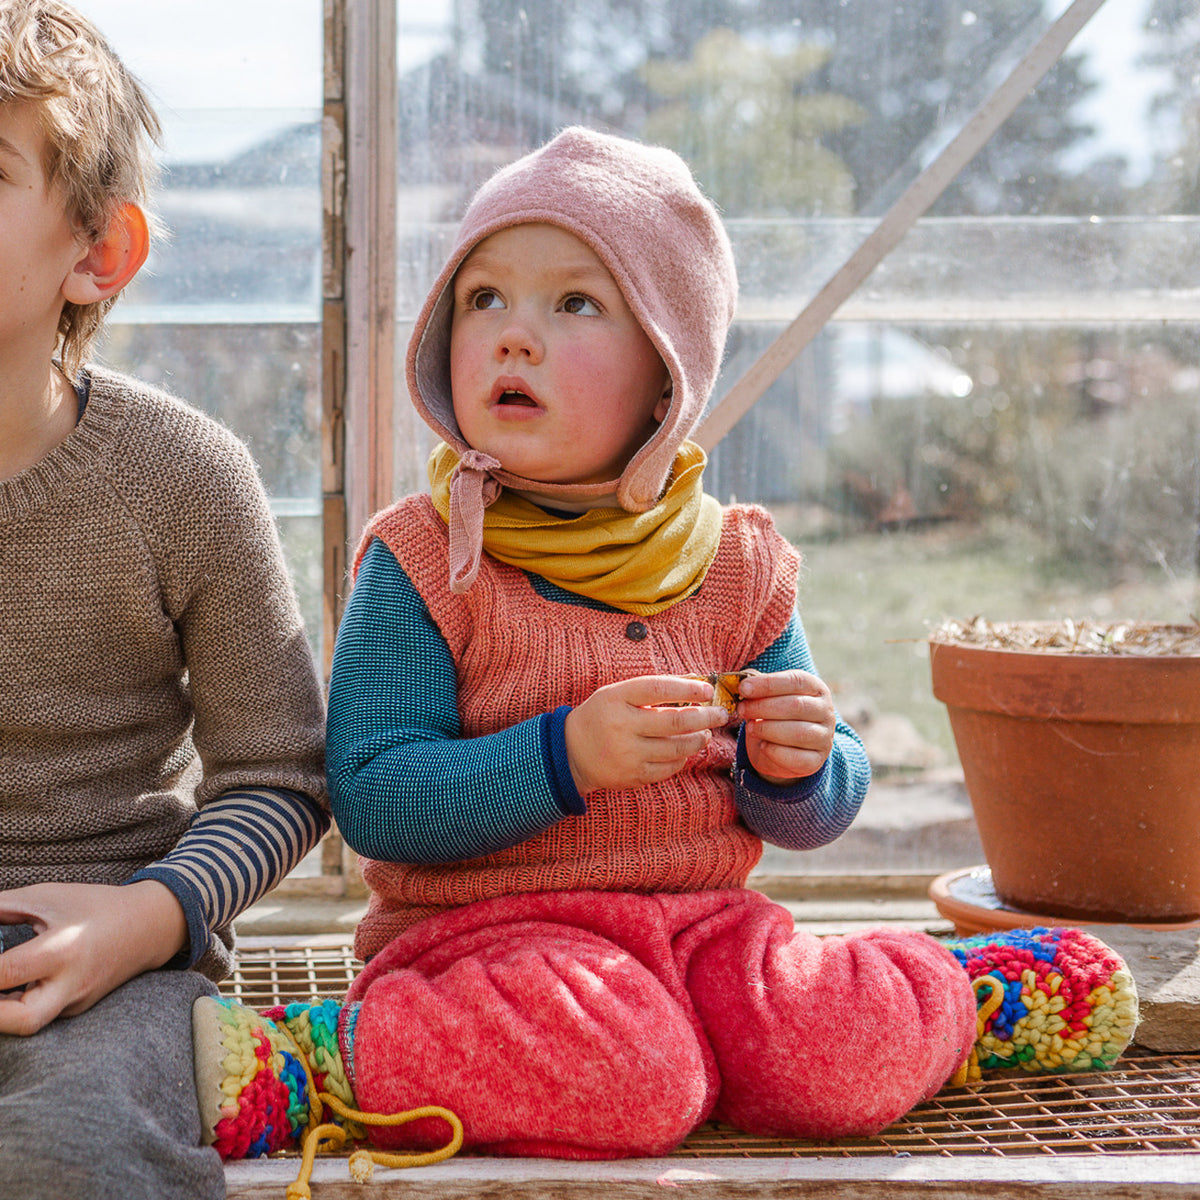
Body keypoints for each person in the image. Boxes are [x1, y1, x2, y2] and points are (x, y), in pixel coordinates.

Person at [196, 126, 1138, 1166]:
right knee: (632, 1083)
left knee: (827, 1062)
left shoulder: (735, 563)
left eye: (575, 304)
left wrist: (806, 763)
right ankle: (317, 1058)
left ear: (665, 377)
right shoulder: (423, 562)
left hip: (707, 930)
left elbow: (809, 812)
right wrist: (564, 758)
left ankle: (971, 997)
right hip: (492, 948)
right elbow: (374, 798)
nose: (513, 336)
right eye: (484, 299)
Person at [0, 4, 328, 1197]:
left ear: (100, 253)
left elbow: (282, 777)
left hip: (117, 967)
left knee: (72, 1157)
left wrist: (146, 922)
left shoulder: (185, 479)